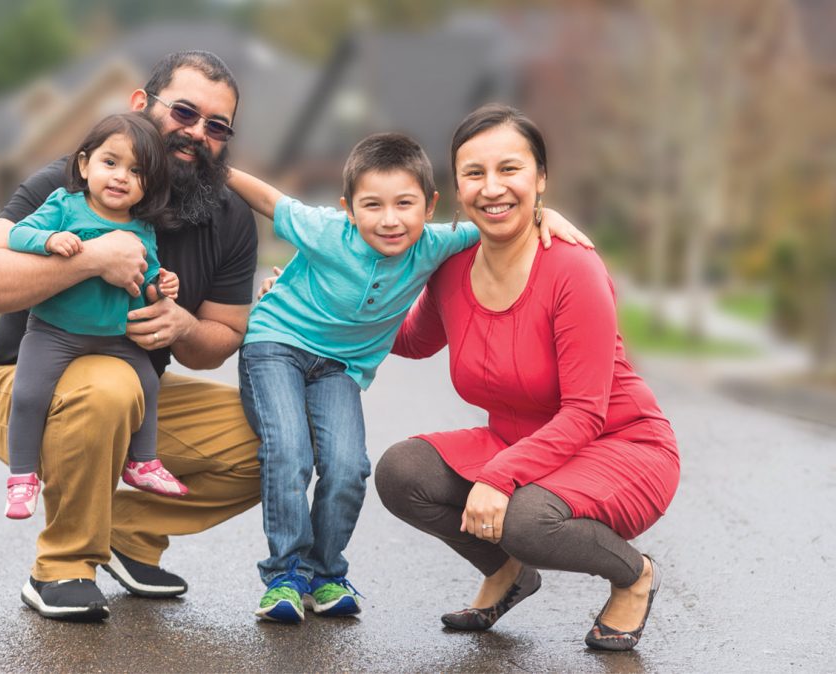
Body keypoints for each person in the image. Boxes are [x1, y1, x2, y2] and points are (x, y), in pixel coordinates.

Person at [229, 135, 589, 624]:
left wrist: (547, 215)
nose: (390, 219)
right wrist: (216, 169)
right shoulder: (326, 230)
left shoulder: (436, 242)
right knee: (290, 451)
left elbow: (500, 223)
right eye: (372, 205)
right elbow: (271, 200)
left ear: (430, 205)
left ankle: (325, 573)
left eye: (405, 204)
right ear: (348, 209)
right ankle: (285, 575)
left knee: (348, 466)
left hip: (340, 368)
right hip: (277, 346)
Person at [0, 51, 261, 621]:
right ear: (141, 105)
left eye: (216, 126)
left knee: (278, 435)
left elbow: (223, 337)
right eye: (185, 112)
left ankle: (128, 533)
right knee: (111, 385)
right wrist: (89, 259)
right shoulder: (70, 185)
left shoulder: (228, 216)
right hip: (24, 385)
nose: (197, 133)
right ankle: (64, 566)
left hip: (135, 397)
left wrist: (185, 326)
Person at [374, 103, 680, 651]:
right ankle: (509, 572)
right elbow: (414, 339)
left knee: (526, 519)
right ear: (459, 188)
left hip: (619, 442)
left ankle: (634, 577)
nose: (493, 188)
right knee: (402, 471)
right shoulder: (453, 265)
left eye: (510, 169)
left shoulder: (572, 269)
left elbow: (587, 411)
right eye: (475, 173)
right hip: (522, 442)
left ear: (541, 179)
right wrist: (323, 305)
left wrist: (499, 477)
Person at [3, 112, 187, 521]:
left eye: (136, 171)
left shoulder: (142, 227)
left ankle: (143, 462)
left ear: (148, 186)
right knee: (29, 394)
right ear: (85, 165)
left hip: (115, 337)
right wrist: (49, 238)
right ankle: (22, 479)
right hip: (55, 330)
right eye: (110, 162)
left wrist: (163, 285)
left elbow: (147, 279)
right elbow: (16, 235)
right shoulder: (64, 206)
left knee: (148, 386)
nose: (121, 176)